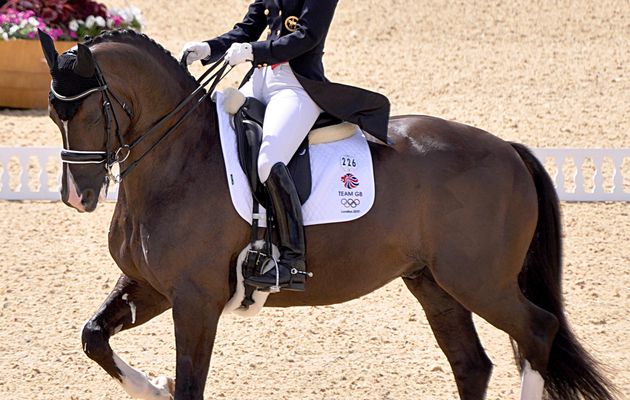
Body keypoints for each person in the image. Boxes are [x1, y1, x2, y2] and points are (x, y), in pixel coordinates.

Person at [182, 0, 390, 291]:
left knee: (269, 160)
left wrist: (254, 51)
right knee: (214, 130)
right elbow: (248, 27)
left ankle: (292, 261)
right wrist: (209, 48)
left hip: (296, 86)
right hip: (259, 79)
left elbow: (308, 36)